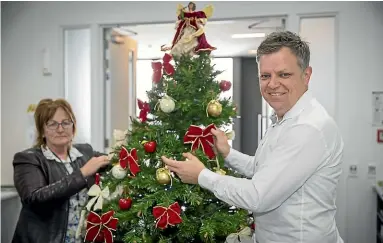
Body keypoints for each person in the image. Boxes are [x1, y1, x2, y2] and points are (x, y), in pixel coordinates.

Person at [162, 31, 344, 243]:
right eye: (265, 76)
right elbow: (265, 171)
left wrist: (202, 176)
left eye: (284, 74)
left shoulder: (308, 128)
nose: (273, 84)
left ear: (306, 75)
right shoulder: (285, 118)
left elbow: (257, 196)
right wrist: (228, 153)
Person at [12, 98, 110, 243]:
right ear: (42, 130)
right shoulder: (27, 159)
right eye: (52, 124)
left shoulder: (85, 152)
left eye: (65, 122)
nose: (60, 129)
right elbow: (35, 199)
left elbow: (112, 160)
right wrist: (82, 173)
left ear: (73, 126)